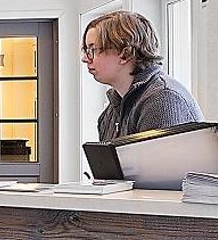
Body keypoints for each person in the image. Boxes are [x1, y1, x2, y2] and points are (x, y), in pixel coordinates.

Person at [83, 10, 202, 142]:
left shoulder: (162, 100)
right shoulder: (113, 108)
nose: (85, 58)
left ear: (125, 54)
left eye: (92, 50)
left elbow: (156, 162)